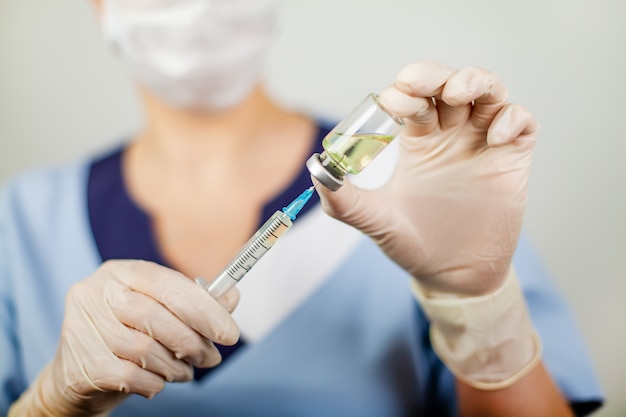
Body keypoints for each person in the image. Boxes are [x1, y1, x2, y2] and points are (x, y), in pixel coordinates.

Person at [1, 0, 603, 416]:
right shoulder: (21, 223)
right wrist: (50, 402)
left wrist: (477, 301)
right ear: (101, 7)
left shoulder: (424, 183)